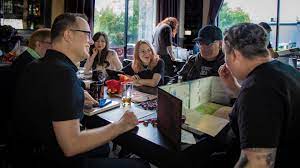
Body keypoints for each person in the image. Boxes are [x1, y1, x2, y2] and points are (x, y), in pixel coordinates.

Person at [13, 13, 150, 168]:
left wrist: (77, 97)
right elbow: (71, 145)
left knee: (103, 147)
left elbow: (48, 103)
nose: (91, 41)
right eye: (87, 34)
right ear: (68, 35)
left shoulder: (37, 65)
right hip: (52, 160)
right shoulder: (62, 74)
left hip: (28, 154)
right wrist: (120, 125)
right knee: (141, 165)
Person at [219, 23, 300, 167]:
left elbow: (258, 163)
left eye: (225, 53)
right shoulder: (285, 70)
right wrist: (234, 87)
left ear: (235, 55)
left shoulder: (257, 90)